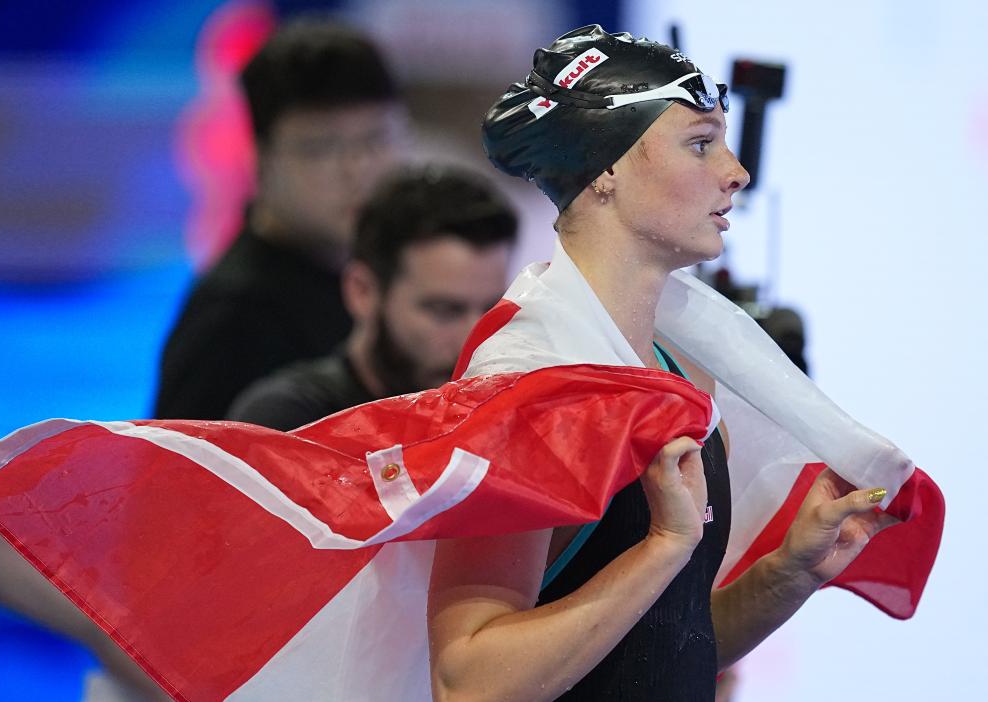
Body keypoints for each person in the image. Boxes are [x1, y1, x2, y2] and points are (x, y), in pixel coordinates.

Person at [426, 25, 898, 701]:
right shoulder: (528, 383)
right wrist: (664, 546)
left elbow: (665, 647)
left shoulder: (683, 374)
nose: (737, 172)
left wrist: (787, 575)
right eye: (701, 143)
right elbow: (468, 682)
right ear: (607, 169)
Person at [154, 17, 407, 420]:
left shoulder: (380, 276)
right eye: (321, 149)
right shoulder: (233, 321)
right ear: (260, 157)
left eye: (375, 140)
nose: (357, 169)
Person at [227, 165, 518, 430]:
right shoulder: (289, 423)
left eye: (492, 309)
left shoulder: (507, 417)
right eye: (444, 310)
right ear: (362, 291)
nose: (474, 340)